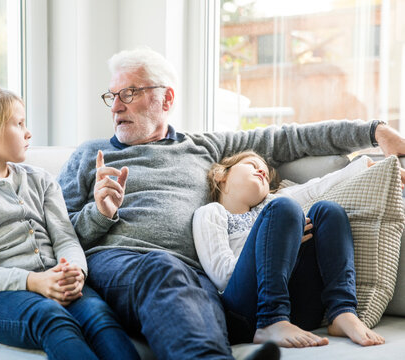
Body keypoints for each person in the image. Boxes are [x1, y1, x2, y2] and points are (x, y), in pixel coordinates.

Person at [57, 47, 405, 360]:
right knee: (163, 268)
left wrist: (375, 131)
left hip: (194, 277)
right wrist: (99, 214)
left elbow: (288, 138)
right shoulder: (91, 155)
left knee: (195, 292)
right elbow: (54, 234)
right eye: (112, 95)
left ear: (166, 99)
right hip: (119, 263)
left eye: (129, 93)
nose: (116, 106)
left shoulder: (203, 148)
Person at [0, 84, 140, 360]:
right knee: (52, 318)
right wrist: (35, 281)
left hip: (55, 280)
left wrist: (75, 271)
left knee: (100, 318)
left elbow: (65, 238)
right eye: (19, 124)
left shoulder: (40, 179)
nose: (28, 132)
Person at [192, 150, 386, 348]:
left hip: (298, 309)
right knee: (284, 208)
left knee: (328, 210)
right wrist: (271, 243)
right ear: (220, 175)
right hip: (248, 313)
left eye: (266, 175)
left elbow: (317, 187)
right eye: (252, 165)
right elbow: (222, 276)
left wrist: (364, 166)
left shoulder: (271, 202)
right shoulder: (211, 212)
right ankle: (271, 320)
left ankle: (342, 311)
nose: (261, 171)